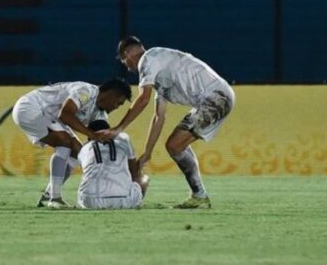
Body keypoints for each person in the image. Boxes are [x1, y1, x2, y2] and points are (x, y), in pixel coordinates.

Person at [98, 36, 235, 209]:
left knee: (175, 145)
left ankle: (199, 196)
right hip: (215, 97)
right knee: (175, 145)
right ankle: (199, 196)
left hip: (215, 97)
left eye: (125, 61)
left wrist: (119, 128)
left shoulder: (149, 59)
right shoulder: (161, 72)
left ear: (127, 54)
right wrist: (147, 153)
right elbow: (158, 117)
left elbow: (143, 98)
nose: (127, 67)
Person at [12, 78, 132, 208]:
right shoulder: (86, 92)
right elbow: (66, 114)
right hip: (30, 107)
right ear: (113, 94)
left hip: (49, 116)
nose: (116, 108)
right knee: (64, 141)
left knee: (78, 152)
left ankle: (48, 195)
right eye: (118, 103)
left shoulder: (100, 115)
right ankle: (55, 198)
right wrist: (91, 134)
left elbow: (96, 141)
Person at [76, 119, 149, 210]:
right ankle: (137, 201)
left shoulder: (84, 148)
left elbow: (86, 173)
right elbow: (134, 173)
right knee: (144, 178)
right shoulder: (124, 139)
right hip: (124, 200)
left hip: (90, 201)